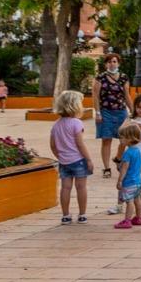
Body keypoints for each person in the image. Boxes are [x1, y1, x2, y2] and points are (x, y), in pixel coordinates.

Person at [112, 94, 141, 218]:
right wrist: (130, 125)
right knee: (126, 177)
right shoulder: (130, 118)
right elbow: (120, 131)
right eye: (139, 107)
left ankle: (139, 203)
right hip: (131, 154)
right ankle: (119, 204)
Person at [51, 89, 92, 223]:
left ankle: (66, 215)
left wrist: (60, 156)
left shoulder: (56, 125)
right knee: (81, 187)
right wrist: (88, 159)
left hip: (64, 162)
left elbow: (53, 145)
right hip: (78, 160)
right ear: (75, 106)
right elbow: (80, 144)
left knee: (65, 188)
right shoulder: (76, 123)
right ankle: (82, 214)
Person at [94, 53, 130, 177]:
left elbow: (127, 96)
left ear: (118, 63)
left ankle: (118, 158)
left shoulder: (124, 77)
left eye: (114, 61)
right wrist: (97, 113)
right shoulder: (100, 78)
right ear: (106, 64)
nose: (112, 64)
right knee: (106, 140)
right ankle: (106, 168)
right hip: (106, 112)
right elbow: (95, 96)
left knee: (124, 139)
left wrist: (133, 112)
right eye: (109, 62)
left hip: (121, 111)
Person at [111, 122, 141, 228]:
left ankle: (127, 220)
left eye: (122, 138)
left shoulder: (128, 153)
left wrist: (120, 180)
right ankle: (139, 218)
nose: (120, 140)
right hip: (138, 181)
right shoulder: (138, 151)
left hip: (129, 182)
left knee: (129, 202)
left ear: (130, 138)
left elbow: (124, 169)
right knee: (137, 200)